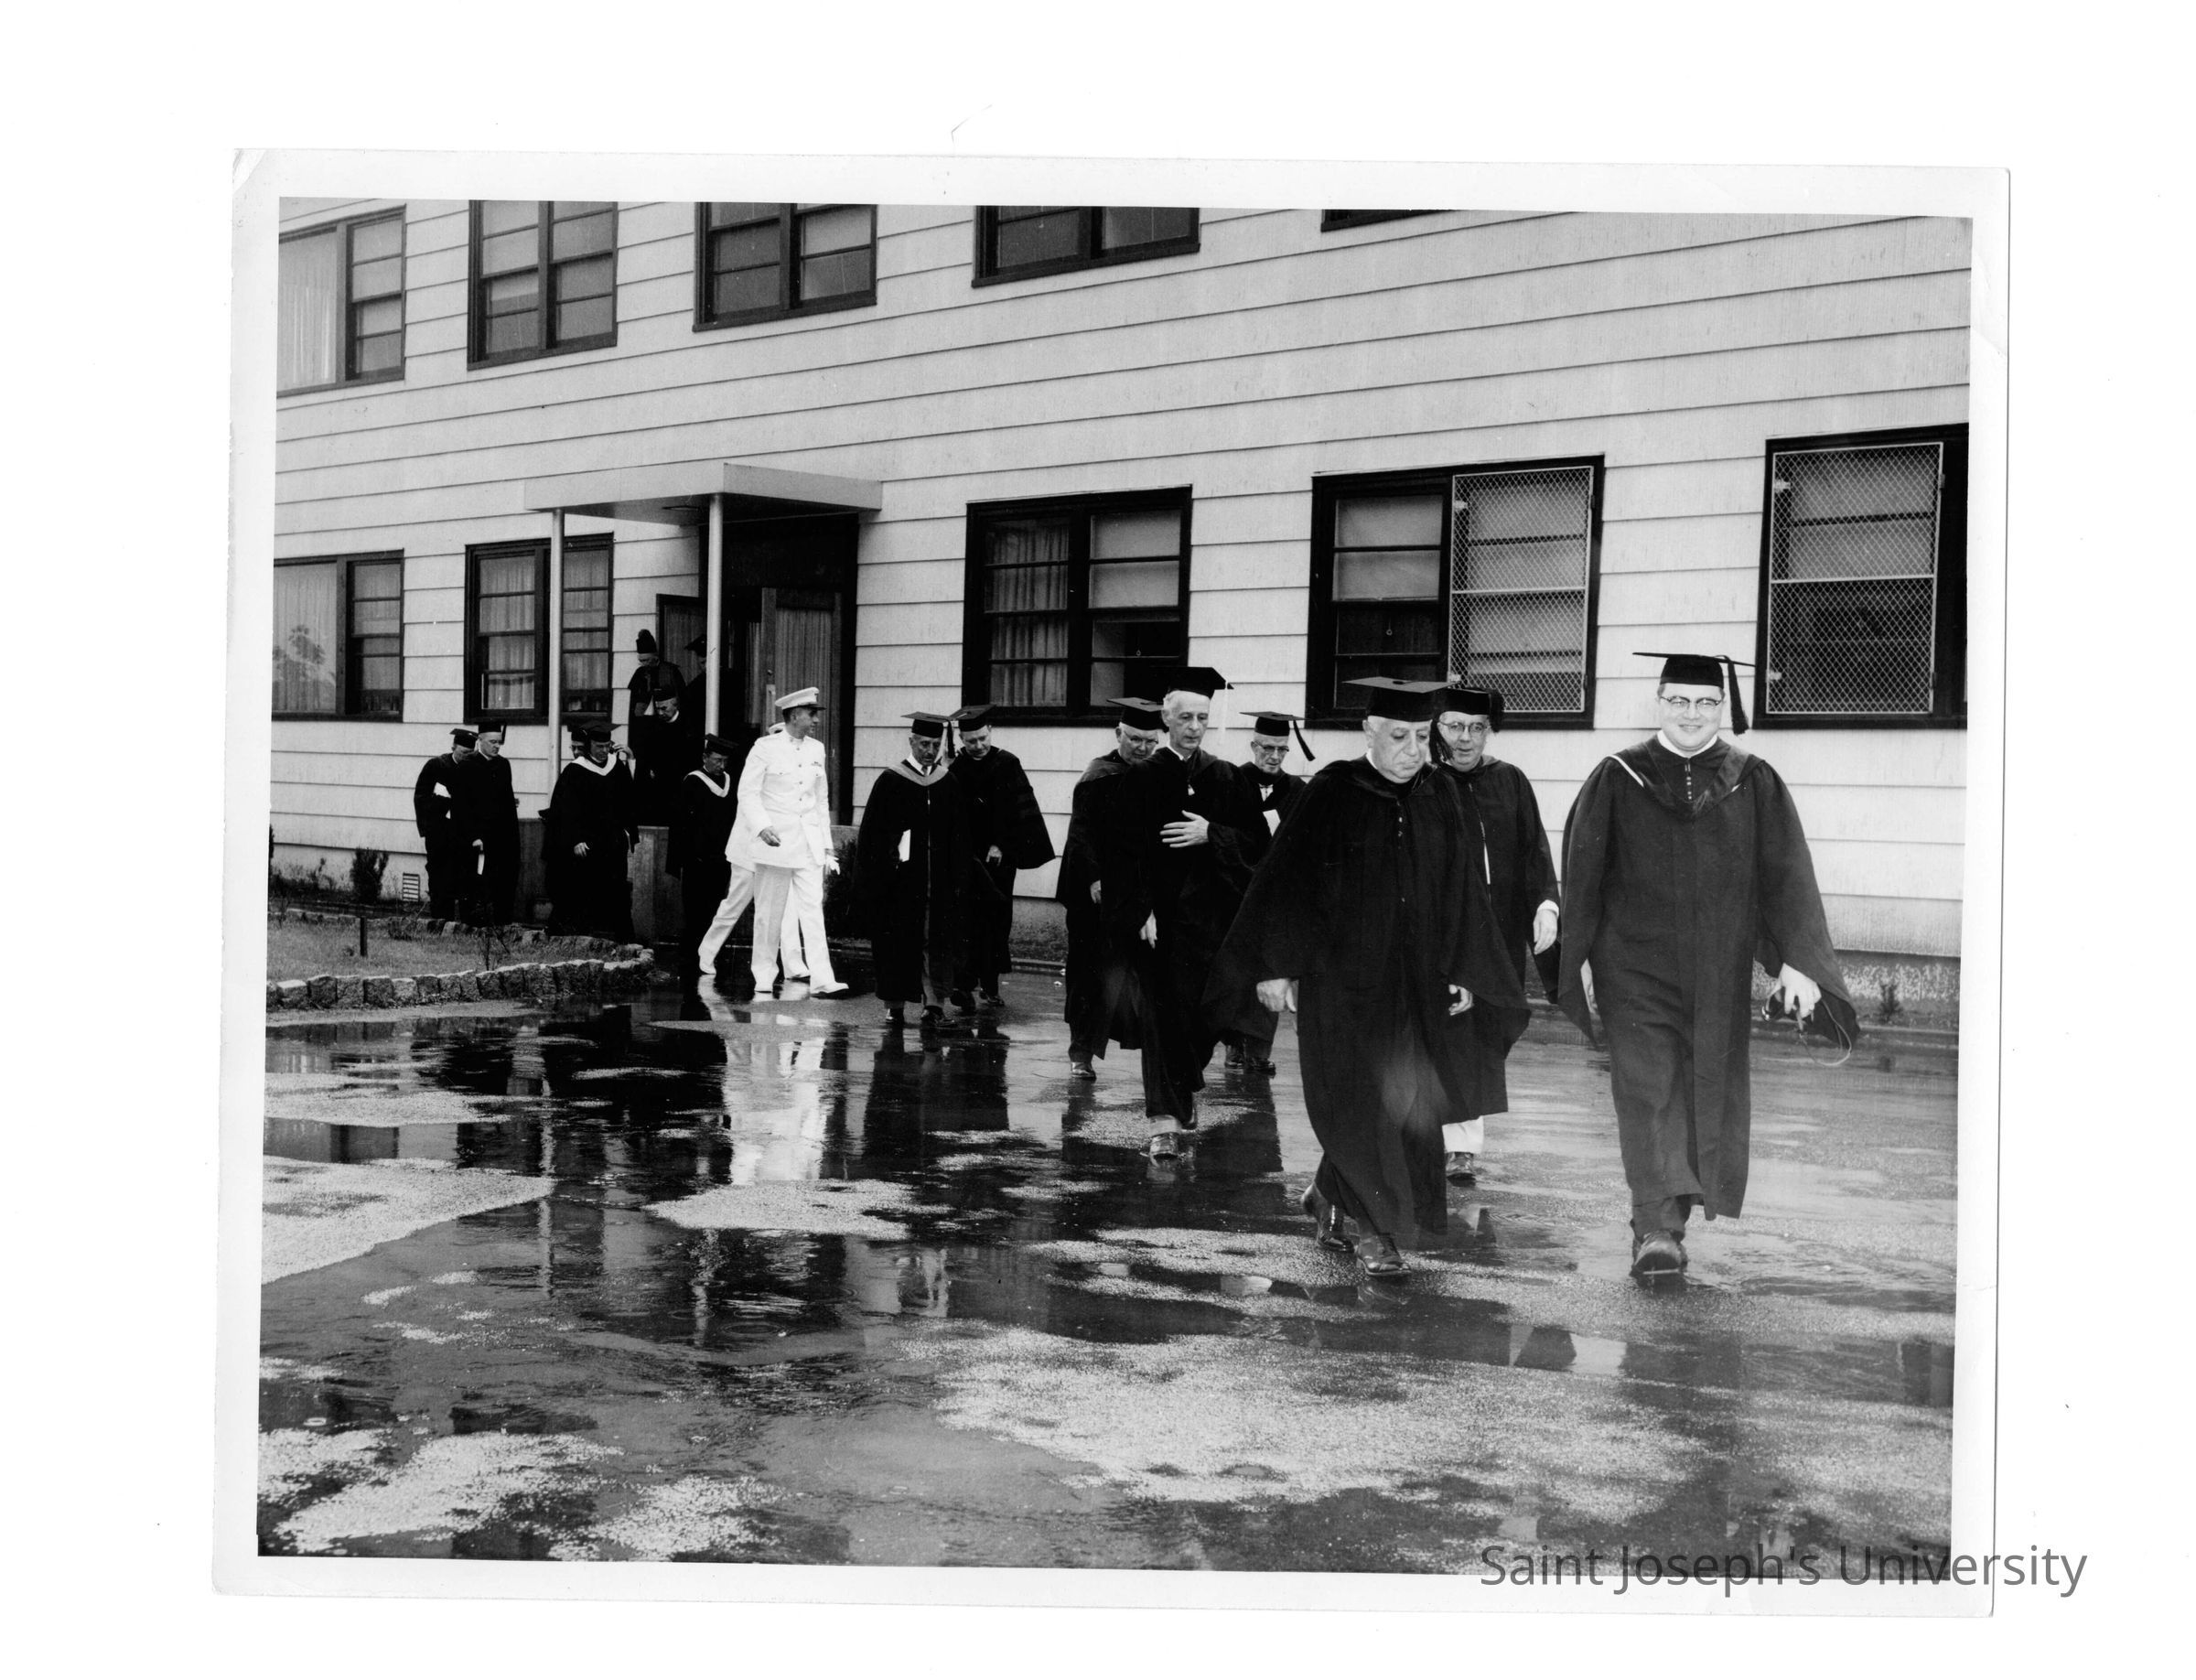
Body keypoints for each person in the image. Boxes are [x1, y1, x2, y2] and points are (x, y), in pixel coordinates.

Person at [1206, 678, 1529, 1276]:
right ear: (1370, 733)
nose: (1414, 750)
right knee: (1356, 1101)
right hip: (1341, 979)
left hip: (1417, 977)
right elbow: (1286, 877)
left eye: (1422, 737)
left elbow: (1461, 887)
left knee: (1406, 1101)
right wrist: (1276, 966)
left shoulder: (1439, 792)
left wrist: (1464, 967)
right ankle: (1377, 1233)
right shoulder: (1334, 789)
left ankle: (1329, 1194)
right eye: (1399, 736)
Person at [1557, 652, 1860, 1280]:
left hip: (1718, 967)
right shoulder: (1618, 775)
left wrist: (1795, 962)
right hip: (1632, 966)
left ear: (1722, 707)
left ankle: (1670, 1215)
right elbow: (1583, 872)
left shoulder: (1753, 780)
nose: (1691, 714)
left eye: (1704, 703)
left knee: (1703, 1090)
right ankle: (1656, 1229)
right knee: (1648, 1089)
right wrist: (1578, 956)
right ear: (1658, 701)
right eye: (1678, 701)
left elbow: (1786, 877)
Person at [1095, 666, 1268, 1159]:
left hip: (1214, 923)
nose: (1195, 727)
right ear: (1166, 720)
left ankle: (1183, 1087)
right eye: (1186, 717)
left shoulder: (1226, 777)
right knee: (1162, 1018)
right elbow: (1120, 853)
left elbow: (1258, 844)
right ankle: (1164, 1123)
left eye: (1202, 718)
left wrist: (1212, 834)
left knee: (1207, 1018)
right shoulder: (1141, 778)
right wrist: (1139, 910)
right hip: (1162, 924)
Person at [1432, 684, 1561, 1182]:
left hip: (1501, 932)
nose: (1465, 738)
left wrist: (1546, 904)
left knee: (1490, 1029)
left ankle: (1453, 1135)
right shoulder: (1425, 784)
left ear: (1489, 732)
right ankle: (1457, 1145)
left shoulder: (1509, 780)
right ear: (1437, 729)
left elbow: (1534, 849)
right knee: (1452, 1031)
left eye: (1476, 728)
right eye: (1455, 727)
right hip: (1445, 930)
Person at [698, 687, 846, 998]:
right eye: (811, 714)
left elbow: (820, 800)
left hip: (807, 844)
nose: (816, 720)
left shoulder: (817, 749)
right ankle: (764, 975)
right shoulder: (765, 748)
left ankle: (823, 979)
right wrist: (762, 826)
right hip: (775, 844)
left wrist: (826, 843)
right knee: (769, 913)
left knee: (812, 911)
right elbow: (748, 792)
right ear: (794, 715)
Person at [1056, 697, 1165, 1077]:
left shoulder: (1158, 776)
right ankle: (1081, 1053)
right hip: (1096, 894)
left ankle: (1159, 1065)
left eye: (1151, 741)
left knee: (1141, 975)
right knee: (1089, 972)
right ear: (1119, 733)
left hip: (1139, 892)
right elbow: (1081, 833)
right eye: (1135, 739)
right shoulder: (1098, 777)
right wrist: (1094, 876)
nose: (1143, 748)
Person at [856, 714, 974, 1028]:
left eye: (935, 744)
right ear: (911, 742)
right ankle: (894, 1005)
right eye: (924, 744)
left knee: (935, 941)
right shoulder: (891, 780)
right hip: (900, 882)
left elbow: (960, 836)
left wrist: (959, 876)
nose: (930, 751)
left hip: (938, 882)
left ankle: (933, 1005)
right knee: (897, 941)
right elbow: (873, 836)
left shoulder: (947, 781)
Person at [946, 705, 1056, 1009]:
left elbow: (1018, 810)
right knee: (966, 921)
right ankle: (964, 985)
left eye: (983, 738)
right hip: (968, 859)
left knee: (995, 920)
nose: (979, 745)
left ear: (991, 731)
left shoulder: (1008, 763)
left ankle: (990, 985)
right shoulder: (956, 768)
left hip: (999, 860)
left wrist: (1001, 843)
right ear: (962, 739)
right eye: (971, 741)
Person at [1224, 710, 1316, 1075]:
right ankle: (1234, 1047)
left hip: (1276, 895)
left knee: (1271, 966)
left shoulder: (1298, 791)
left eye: (1281, 749)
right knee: (1237, 972)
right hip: (1235, 891)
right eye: (1267, 748)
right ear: (1253, 746)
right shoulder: (1232, 782)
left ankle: (1259, 1051)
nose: (1274, 756)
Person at [545, 722, 638, 938]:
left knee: (617, 892)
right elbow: (564, 810)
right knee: (584, 893)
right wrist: (575, 839)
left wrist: (627, 833)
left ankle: (623, 941)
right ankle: (584, 941)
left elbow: (629, 798)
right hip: (588, 845)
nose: (604, 751)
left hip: (613, 843)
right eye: (599, 746)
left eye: (607, 746)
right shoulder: (575, 770)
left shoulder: (616, 765)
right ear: (589, 745)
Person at [667, 733, 740, 988]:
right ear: (705, 758)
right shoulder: (692, 782)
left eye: (725, 761)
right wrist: (683, 857)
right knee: (695, 910)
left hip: (722, 858)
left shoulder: (730, 782)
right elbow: (680, 824)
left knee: (717, 908)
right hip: (696, 860)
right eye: (717, 760)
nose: (721, 765)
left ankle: (712, 955)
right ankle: (690, 958)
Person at [456, 723, 520, 924]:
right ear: (480, 741)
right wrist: (473, 836)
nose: (497, 746)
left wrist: (512, 837)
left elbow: (507, 803)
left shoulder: (503, 765)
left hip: (501, 836)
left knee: (503, 883)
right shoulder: (467, 765)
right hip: (478, 838)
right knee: (476, 883)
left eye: (499, 742)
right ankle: (473, 925)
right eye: (492, 742)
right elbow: (461, 806)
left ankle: (502, 925)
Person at [411, 727, 478, 920]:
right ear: (453, 747)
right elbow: (421, 797)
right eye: (463, 752)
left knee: (465, 881)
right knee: (440, 880)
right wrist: (446, 803)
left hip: (464, 837)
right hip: (440, 835)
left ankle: (465, 925)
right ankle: (440, 922)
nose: (466, 757)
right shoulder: (436, 766)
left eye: (470, 753)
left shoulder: (474, 769)